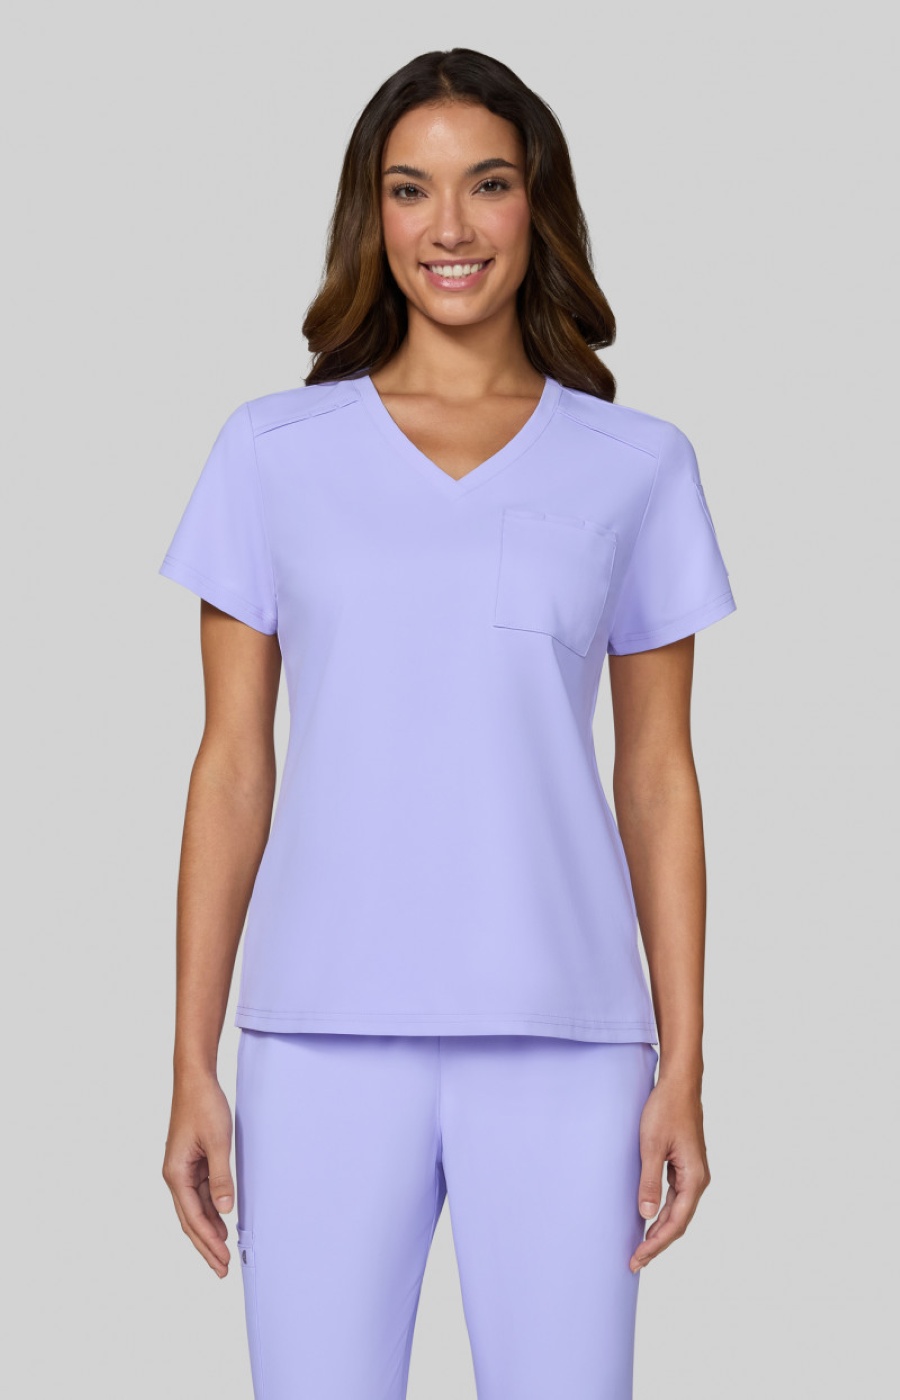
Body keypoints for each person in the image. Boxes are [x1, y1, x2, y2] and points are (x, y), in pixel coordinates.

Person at [158, 47, 737, 1400]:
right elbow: (232, 767)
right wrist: (191, 1060)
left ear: (539, 206)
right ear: (373, 215)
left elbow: (658, 777)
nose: (451, 226)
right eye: (411, 190)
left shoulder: (636, 464)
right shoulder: (271, 453)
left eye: (488, 184)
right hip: (317, 1032)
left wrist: (686, 1065)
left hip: (570, 1037)